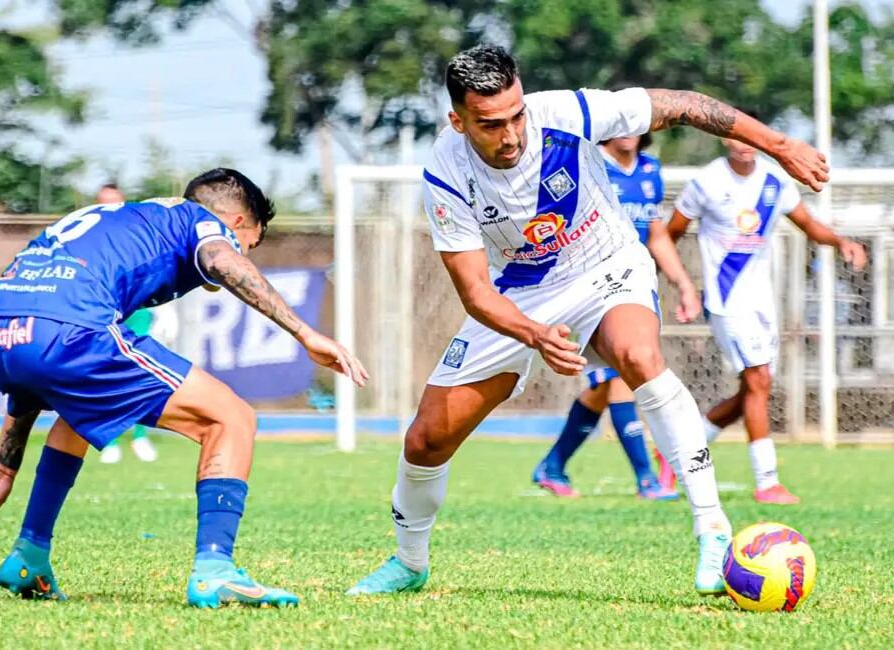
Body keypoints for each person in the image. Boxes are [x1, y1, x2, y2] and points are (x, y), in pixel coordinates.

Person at [347, 45, 831, 598]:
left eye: (516, 116)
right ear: (457, 121)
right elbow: (477, 291)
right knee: (427, 437)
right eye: (489, 125)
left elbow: (684, 104)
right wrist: (533, 335)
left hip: (606, 262)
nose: (510, 136)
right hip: (519, 294)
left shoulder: (566, 113)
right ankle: (410, 563)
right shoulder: (444, 173)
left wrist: (781, 145)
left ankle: (712, 528)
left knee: (638, 356)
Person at [0, 168, 367, 608]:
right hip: (70, 332)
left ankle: (29, 556)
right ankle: (215, 570)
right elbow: (220, 260)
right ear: (239, 223)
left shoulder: (122, 220)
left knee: (82, 416)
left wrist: (5, 467)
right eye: (253, 243)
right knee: (232, 418)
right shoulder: (200, 219)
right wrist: (306, 334)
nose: (247, 251)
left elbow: (37, 352)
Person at [667, 119, 867, 505]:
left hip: (762, 302)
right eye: (737, 136)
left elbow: (809, 225)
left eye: (750, 138)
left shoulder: (775, 182)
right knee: (758, 380)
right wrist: (682, 285)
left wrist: (841, 241)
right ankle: (767, 481)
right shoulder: (707, 182)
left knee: (753, 389)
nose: (744, 144)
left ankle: (678, 457)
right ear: (726, 138)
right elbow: (669, 234)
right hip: (726, 301)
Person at [532, 133, 694, 500]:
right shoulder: (589, 162)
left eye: (633, 122)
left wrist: (682, 282)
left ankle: (553, 465)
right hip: (592, 287)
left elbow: (656, 233)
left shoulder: (650, 170)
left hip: (634, 286)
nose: (626, 129)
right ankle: (647, 479)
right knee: (622, 376)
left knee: (605, 385)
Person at [91, 184, 159, 464]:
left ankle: (141, 437)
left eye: (115, 203)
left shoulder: (137, 234)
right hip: (104, 313)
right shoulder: (88, 236)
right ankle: (111, 440)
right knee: (106, 376)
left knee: (141, 374)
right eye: (103, 203)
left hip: (137, 312)